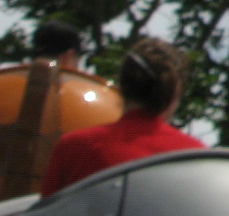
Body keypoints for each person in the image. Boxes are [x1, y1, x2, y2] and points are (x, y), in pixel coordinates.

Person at [39, 36, 204, 196]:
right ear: (174, 92)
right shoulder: (195, 155)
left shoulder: (72, 146)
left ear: (123, 86)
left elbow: (47, 213)